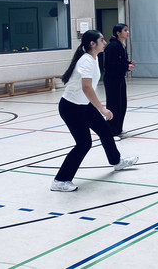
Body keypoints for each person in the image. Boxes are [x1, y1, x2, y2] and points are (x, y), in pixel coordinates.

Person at [51, 30, 138, 192]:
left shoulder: (93, 58)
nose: (105, 42)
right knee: (84, 144)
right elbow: (86, 87)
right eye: (102, 40)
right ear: (93, 44)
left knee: (105, 131)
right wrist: (102, 108)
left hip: (83, 105)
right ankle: (60, 180)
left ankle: (116, 161)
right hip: (71, 107)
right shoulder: (86, 61)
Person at [104, 23, 135, 138]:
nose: (127, 32)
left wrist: (128, 64)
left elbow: (120, 62)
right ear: (118, 33)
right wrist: (126, 67)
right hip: (112, 80)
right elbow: (110, 65)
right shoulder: (112, 46)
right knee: (114, 105)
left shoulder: (121, 45)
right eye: (125, 30)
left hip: (119, 79)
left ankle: (118, 128)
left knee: (122, 104)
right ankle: (111, 131)